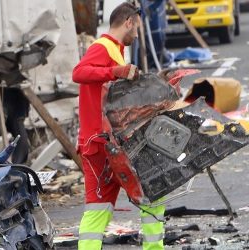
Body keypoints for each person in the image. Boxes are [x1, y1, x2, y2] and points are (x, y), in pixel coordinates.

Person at [72, 2, 165, 250]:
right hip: (107, 146)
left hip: (100, 146)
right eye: (137, 27)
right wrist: (116, 71)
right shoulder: (102, 47)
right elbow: (79, 73)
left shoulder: (115, 50)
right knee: (152, 194)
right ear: (129, 22)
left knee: (97, 209)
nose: (138, 33)